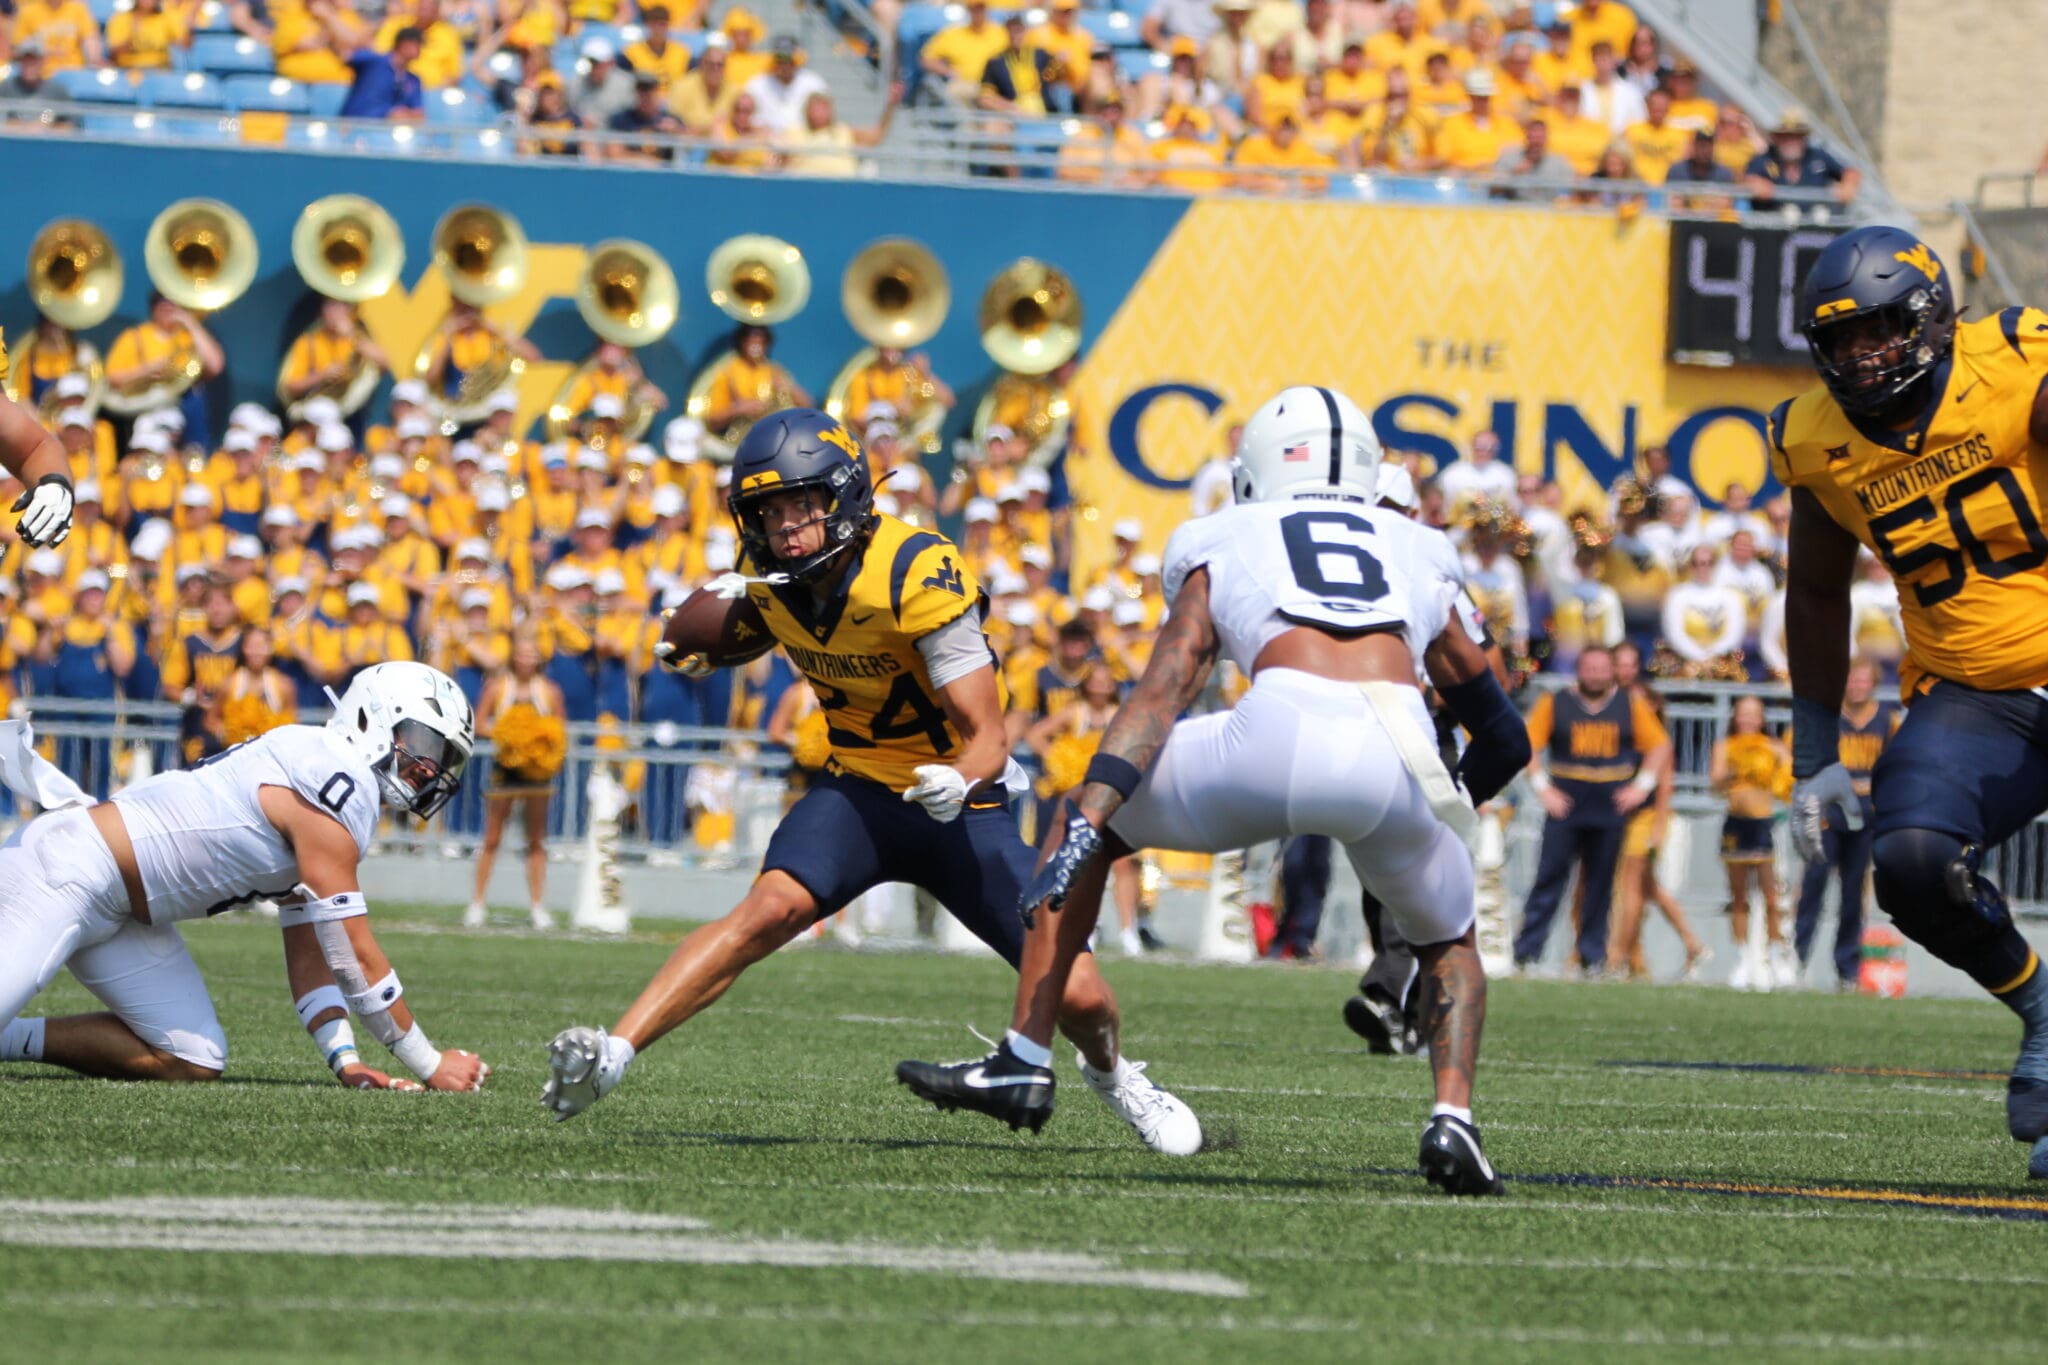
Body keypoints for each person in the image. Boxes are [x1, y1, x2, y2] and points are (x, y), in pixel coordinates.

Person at [897, 386, 1531, 1196]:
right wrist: (1434, 820)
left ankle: (1023, 1059)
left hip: (1272, 732)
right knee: (1451, 942)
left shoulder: (1224, 532)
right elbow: (1506, 733)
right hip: (1398, 755)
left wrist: (1091, 816)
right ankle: (1454, 1118)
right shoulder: (1419, 546)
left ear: (1259, 467)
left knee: (1086, 824)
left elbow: (1165, 688)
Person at [541, 410, 1201, 1158]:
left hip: (960, 804)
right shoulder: (771, 584)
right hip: (857, 793)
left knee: (1079, 991)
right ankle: (614, 1054)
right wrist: (691, 635)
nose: (785, 526)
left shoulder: (913, 568)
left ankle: (1117, 1077)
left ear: (845, 496)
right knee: (769, 909)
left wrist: (958, 778)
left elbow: (991, 736)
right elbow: (705, 632)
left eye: (801, 505)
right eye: (768, 511)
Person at [1773, 223, 2048, 1175]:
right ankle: (2044, 1013)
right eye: (1840, 339)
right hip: (1975, 691)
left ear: (1932, 316)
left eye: (1880, 329)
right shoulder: (1815, 439)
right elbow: (1814, 590)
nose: (1860, 354)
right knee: (1914, 862)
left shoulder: (2014, 361)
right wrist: (1813, 756)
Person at [0, 664, 487, 1094]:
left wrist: (347, 1060)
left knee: (194, 1056)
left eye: (444, 756)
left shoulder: (321, 769)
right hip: (68, 871)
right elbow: (353, 955)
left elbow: (314, 954)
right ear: (373, 718)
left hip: (121, 910)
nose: (431, 768)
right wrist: (429, 1061)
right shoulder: (338, 778)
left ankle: (9, 1039)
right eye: (425, 745)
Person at [1514, 645, 1668, 974]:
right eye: (1589, 668)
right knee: (1549, 877)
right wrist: (1543, 788)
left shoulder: (1629, 704)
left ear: (1612, 671)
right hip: (1566, 800)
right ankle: (1526, 952)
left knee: (1600, 883)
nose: (1595, 675)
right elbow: (1528, 744)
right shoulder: (1555, 702)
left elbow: (1659, 745)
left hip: (1610, 801)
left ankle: (1591, 956)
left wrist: (1641, 786)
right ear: (1579, 670)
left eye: (1601, 668)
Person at [1603, 641, 1709, 981]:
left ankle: (1617, 957)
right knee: (1645, 891)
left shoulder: (1651, 726)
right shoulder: (1607, 714)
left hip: (1644, 817)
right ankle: (1661, 953)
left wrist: (1660, 823)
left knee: (1632, 890)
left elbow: (1665, 782)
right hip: (1616, 816)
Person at [1794, 656, 1891, 990]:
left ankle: (1847, 968)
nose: (1857, 686)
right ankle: (1797, 958)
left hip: (1865, 816)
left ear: (1874, 683)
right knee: (1813, 885)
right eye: (1852, 679)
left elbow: (1895, 764)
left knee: (1853, 893)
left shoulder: (1886, 719)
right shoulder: (1829, 716)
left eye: (1863, 680)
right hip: (1829, 813)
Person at [467, 634, 566, 931]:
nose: (526, 659)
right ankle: (477, 903)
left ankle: (537, 905)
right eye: (522, 653)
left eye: (532, 653)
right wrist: (510, 735)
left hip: (537, 773)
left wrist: (537, 738)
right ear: (513, 656)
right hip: (505, 769)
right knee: (492, 838)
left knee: (536, 840)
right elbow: (479, 722)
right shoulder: (497, 687)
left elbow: (559, 728)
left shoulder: (549, 691)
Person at [1709, 694, 1792, 989]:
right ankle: (1742, 958)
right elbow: (1715, 784)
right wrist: (1733, 771)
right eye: (1742, 714)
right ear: (1734, 717)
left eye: (1754, 714)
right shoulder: (1725, 747)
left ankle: (1774, 955)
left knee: (1771, 895)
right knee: (1739, 895)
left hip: (1763, 824)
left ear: (1762, 719)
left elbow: (1787, 782)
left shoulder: (1774, 748)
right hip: (1736, 824)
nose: (1748, 720)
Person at [337, 23, 425, 120]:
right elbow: (346, 55)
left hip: (387, 131)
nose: (420, 50)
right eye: (418, 45)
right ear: (404, 44)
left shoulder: (413, 80)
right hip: (355, 125)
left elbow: (418, 114)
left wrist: (402, 114)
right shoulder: (374, 61)